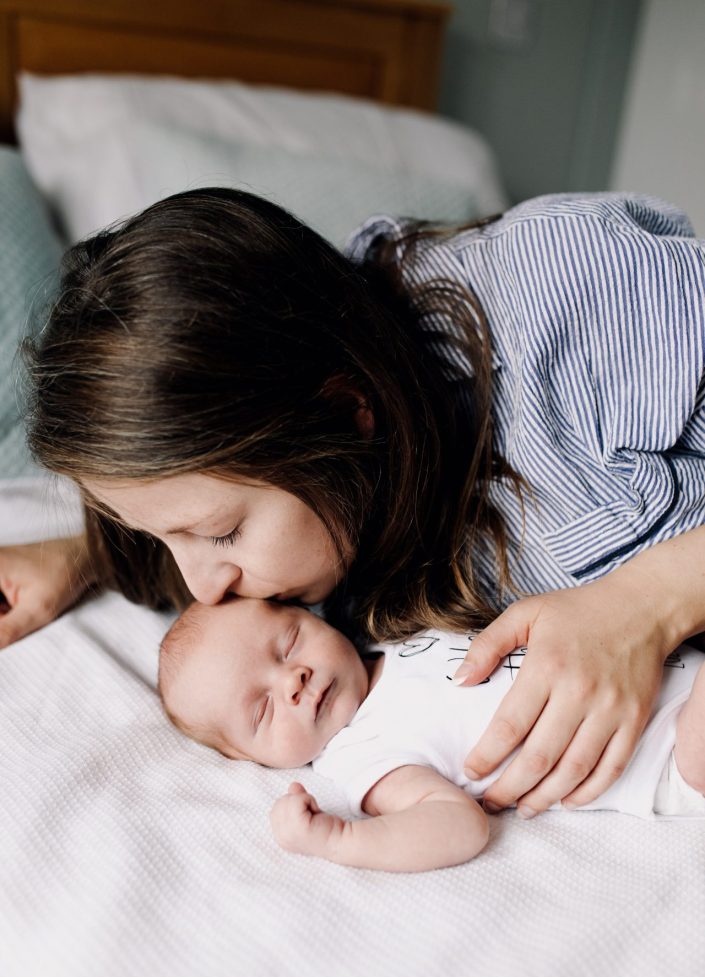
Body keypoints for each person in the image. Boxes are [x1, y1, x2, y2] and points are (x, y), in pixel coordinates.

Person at [2, 187, 705, 821]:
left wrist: (649, 602)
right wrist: (88, 552)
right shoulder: (305, 553)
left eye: (219, 533)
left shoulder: (567, 298)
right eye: (160, 538)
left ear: (345, 413)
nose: (202, 588)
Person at [158, 597, 705, 872]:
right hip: (667, 752)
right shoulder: (365, 760)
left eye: (289, 642)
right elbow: (460, 827)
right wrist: (336, 839)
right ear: (249, 757)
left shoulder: (397, 635)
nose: (292, 679)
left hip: (664, 663)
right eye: (262, 710)